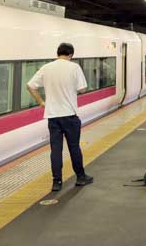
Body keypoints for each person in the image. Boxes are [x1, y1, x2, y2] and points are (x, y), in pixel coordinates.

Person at [27, 43, 94, 192]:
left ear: (58, 53)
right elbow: (82, 89)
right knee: (74, 147)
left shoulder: (46, 68)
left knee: (56, 150)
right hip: (69, 115)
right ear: (71, 55)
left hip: (53, 116)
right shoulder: (74, 67)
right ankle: (81, 177)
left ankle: (56, 182)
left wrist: (41, 102)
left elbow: (30, 86)